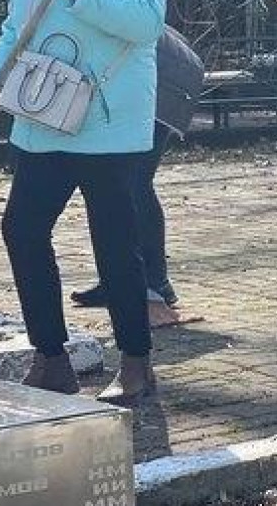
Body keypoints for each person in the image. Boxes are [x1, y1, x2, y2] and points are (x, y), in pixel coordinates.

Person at [0, 0, 168, 403]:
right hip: (41, 111)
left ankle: (136, 363)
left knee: (115, 243)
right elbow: (17, 24)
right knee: (22, 228)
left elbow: (146, 23)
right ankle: (51, 357)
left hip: (107, 119)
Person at [70, 26, 205, 329]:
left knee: (134, 183)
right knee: (109, 185)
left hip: (161, 79)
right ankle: (118, 281)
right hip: (132, 76)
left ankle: (155, 285)